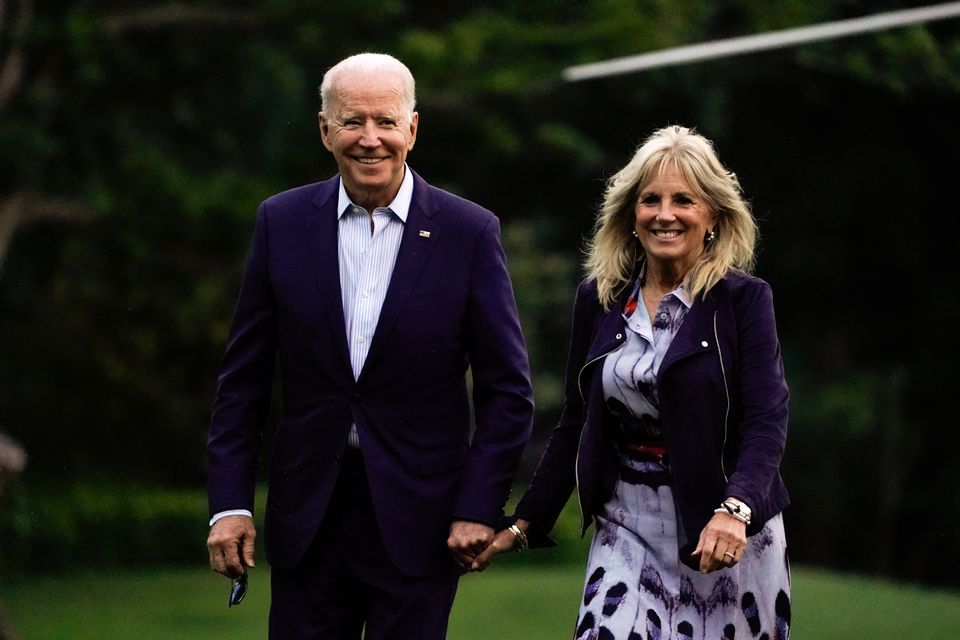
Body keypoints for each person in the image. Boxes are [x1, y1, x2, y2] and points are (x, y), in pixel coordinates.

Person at [205, 52, 534, 640]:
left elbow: (508, 391)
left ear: (412, 128)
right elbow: (243, 383)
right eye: (353, 121)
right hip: (309, 518)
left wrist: (479, 504)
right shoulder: (281, 223)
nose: (370, 139)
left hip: (423, 521)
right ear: (325, 130)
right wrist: (229, 504)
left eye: (385, 122)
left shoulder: (468, 232)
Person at [475, 125, 791, 639]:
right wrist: (523, 523)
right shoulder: (598, 299)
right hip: (628, 529)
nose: (665, 214)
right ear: (631, 214)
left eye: (683, 200)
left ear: (711, 215)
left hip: (725, 533)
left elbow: (766, 418)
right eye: (650, 200)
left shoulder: (743, 301)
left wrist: (737, 509)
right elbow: (575, 421)